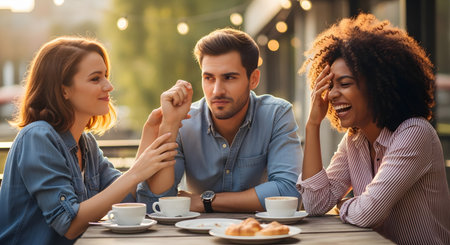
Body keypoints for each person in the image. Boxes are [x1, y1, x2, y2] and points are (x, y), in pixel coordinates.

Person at [0, 37, 180, 244]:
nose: (109, 86)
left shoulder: (86, 145)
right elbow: (68, 224)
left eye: (106, 76)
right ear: (63, 90)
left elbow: (133, 199)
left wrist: (152, 129)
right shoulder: (37, 137)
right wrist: (135, 172)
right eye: (96, 79)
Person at [296, 13, 450, 245]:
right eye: (329, 85)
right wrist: (312, 125)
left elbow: (367, 213)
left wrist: (342, 206)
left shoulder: (414, 134)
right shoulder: (355, 140)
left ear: (378, 86)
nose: (333, 94)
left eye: (344, 83)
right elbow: (315, 205)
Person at [138, 28, 303, 213]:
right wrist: (169, 125)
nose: (217, 91)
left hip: (260, 233)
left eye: (229, 78)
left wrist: (205, 201)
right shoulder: (184, 122)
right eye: (209, 78)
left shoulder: (276, 114)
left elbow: (289, 193)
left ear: (254, 79)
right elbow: (155, 202)